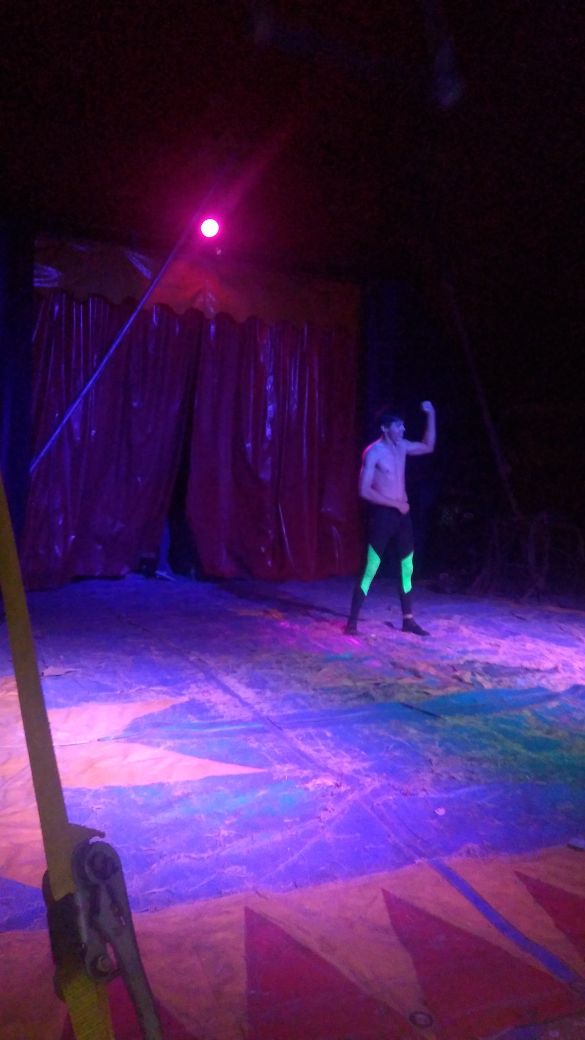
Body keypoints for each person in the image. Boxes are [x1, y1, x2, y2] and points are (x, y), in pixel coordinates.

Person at [345, 401, 436, 636]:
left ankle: (408, 619)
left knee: (407, 566)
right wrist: (395, 504)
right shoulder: (373, 452)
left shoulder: (402, 447)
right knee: (371, 566)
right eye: (398, 426)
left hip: (402, 516)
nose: (403, 429)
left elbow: (428, 446)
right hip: (384, 515)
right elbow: (364, 491)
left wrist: (431, 414)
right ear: (385, 428)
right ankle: (352, 621)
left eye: (403, 425)